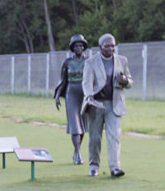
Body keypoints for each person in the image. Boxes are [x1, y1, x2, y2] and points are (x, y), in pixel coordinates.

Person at [82, 33, 132, 177]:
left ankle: (115, 167)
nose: (111, 48)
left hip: (115, 104)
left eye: (113, 45)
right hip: (96, 104)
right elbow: (86, 83)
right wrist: (89, 96)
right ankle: (94, 166)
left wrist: (124, 80)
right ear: (100, 47)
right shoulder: (91, 62)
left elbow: (129, 81)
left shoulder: (122, 61)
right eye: (107, 46)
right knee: (95, 137)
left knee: (114, 136)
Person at [53, 35, 88, 165]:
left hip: (84, 93)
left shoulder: (88, 61)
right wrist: (57, 96)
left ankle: (76, 150)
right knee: (74, 124)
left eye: (81, 45)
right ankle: (78, 153)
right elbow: (63, 80)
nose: (79, 48)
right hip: (71, 92)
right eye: (76, 46)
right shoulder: (67, 62)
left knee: (83, 124)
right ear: (72, 48)